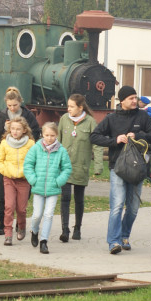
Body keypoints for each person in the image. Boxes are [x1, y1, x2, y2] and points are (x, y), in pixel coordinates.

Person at [91, 85, 151, 254]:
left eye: (136, 98)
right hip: (117, 168)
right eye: (131, 98)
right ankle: (113, 241)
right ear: (122, 101)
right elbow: (94, 136)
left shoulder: (143, 117)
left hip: (138, 168)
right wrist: (115, 140)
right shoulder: (111, 119)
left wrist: (138, 135)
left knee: (133, 207)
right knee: (117, 205)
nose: (135, 101)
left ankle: (125, 235)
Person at [0, 87, 40, 236]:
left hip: (23, 160)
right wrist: (4, 129)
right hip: (7, 159)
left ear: (20, 102)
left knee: (22, 197)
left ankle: (20, 223)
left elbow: (35, 133)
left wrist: (23, 135)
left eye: (15, 105)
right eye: (9, 105)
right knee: (2, 193)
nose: (12, 108)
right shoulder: (1, 115)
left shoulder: (28, 115)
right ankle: (2, 222)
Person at [24, 122, 72, 254]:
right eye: (46, 135)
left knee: (48, 214)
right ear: (42, 134)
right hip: (38, 187)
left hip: (53, 188)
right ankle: (34, 231)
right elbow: (28, 165)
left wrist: (58, 181)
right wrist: (33, 179)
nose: (49, 138)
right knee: (37, 215)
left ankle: (44, 241)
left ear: (56, 135)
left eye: (52, 135)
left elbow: (67, 168)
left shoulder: (61, 150)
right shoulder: (35, 148)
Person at [58, 93, 96, 242]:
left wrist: (98, 165)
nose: (68, 109)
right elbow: (58, 141)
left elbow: (97, 145)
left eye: (71, 106)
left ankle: (77, 228)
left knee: (79, 199)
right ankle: (65, 229)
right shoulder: (63, 120)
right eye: (68, 106)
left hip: (81, 166)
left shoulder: (90, 122)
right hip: (65, 166)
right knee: (65, 197)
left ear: (80, 108)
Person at [0, 117, 34, 245]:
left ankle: (21, 227)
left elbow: (35, 161)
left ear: (24, 130)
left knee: (21, 209)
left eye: (18, 129)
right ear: (9, 129)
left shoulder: (30, 144)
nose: (15, 131)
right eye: (13, 129)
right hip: (9, 179)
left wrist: (28, 173)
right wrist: (7, 172)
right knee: (9, 206)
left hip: (24, 180)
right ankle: (8, 234)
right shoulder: (5, 143)